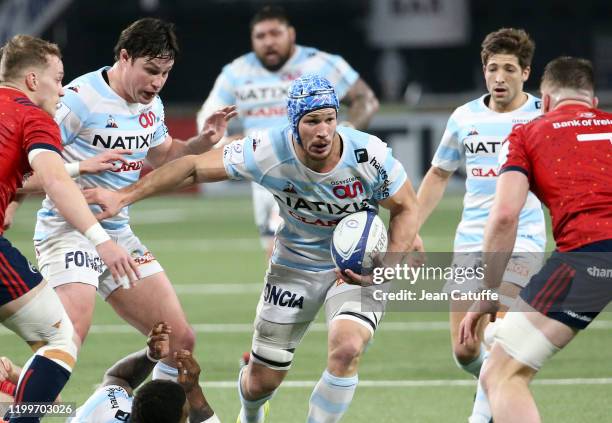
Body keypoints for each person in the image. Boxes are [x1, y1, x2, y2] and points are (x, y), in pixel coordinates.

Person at [85, 74, 419, 423]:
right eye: (311, 121)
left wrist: (388, 266)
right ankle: (251, 415)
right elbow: (193, 167)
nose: (322, 131)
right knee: (261, 383)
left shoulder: (369, 155)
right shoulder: (267, 149)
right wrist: (124, 196)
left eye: (329, 119)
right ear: (294, 123)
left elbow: (406, 206)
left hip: (358, 268)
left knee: (347, 348)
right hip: (295, 265)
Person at [31, 18, 237, 385]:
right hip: (68, 231)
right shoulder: (78, 101)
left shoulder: (151, 105)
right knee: (67, 335)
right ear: (124, 57)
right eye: (151, 70)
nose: (157, 82)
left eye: (166, 73)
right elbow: (27, 173)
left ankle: (121, 397)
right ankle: (18, 407)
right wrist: (79, 168)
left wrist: (203, 143)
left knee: (179, 342)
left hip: (118, 233)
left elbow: (165, 157)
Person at [460, 56, 612, 423]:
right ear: (593, 103)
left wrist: (487, 293)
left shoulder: (530, 132)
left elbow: (504, 216)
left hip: (588, 256)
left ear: (543, 102)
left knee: (502, 372)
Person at [0, 34, 138, 422]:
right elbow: (55, 183)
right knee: (59, 339)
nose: (62, 90)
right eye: (58, 79)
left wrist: (75, 167)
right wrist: (102, 240)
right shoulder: (33, 116)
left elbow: (18, 176)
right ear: (31, 80)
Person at [414, 28, 546, 422]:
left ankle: (481, 412)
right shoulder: (465, 118)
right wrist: (408, 229)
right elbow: (438, 174)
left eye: (509, 68)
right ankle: (494, 387)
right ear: (484, 72)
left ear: (526, 72)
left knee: (498, 339)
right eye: (493, 68)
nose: (500, 77)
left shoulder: (542, 116)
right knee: (466, 350)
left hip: (523, 240)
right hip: (472, 241)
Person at [196, 5, 379, 258]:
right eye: (260, 36)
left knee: (324, 258)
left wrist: (346, 132)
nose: (268, 42)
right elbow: (207, 116)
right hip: (266, 174)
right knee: (279, 261)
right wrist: (221, 142)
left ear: (291, 34)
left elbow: (365, 100)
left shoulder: (321, 63)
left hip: (316, 171)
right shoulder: (237, 72)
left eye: (275, 34)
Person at [69, 322, 218, 423]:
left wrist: (150, 356)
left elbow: (118, 377)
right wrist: (194, 391)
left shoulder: (108, 404)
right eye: (185, 417)